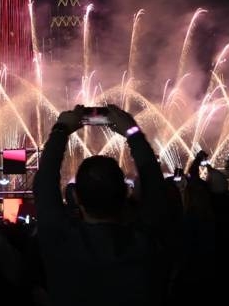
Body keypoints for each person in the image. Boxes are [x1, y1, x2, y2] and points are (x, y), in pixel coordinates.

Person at [33, 104, 169, 306]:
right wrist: (132, 131)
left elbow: (43, 183)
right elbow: (155, 184)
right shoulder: (147, 241)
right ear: (125, 192)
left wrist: (61, 129)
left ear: (77, 197)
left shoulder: (60, 242)